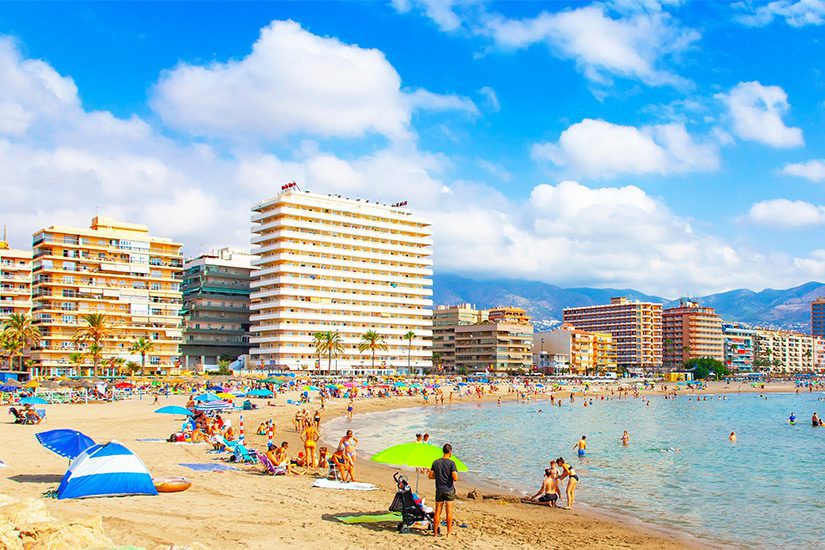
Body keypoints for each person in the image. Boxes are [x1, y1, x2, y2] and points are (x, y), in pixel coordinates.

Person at [428, 443, 458, 537]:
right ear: (450, 452)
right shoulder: (452, 463)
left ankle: (435, 533)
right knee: (449, 511)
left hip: (439, 489)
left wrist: (438, 477)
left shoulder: (436, 462)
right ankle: (448, 533)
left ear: (443, 451)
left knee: (438, 511)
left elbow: (430, 476)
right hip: (449, 489)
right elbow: (455, 477)